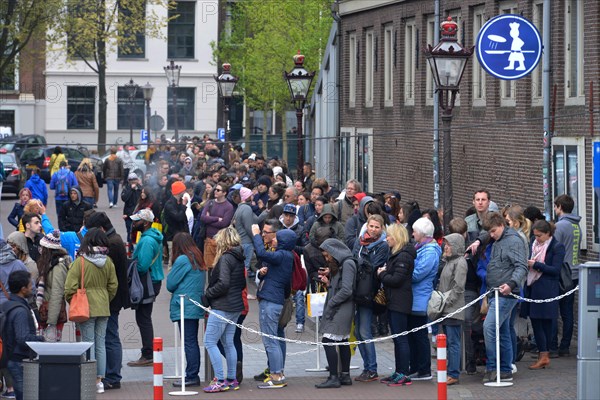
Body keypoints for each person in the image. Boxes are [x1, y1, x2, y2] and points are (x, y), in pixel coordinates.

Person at [64, 228, 118, 394]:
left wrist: (73, 300)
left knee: (88, 343)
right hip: (103, 306)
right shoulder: (108, 261)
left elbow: (69, 287)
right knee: (101, 343)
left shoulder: (80, 262)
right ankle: (100, 380)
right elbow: (113, 285)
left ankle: (90, 378)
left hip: (85, 306)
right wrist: (104, 298)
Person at [481, 212, 527, 384]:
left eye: (493, 231)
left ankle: (493, 367)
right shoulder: (499, 237)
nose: (491, 236)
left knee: (490, 327)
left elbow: (521, 266)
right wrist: (479, 240)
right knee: (504, 331)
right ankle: (506, 368)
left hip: (505, 293)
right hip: (496, 291)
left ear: (501, 225)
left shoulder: (513, 241)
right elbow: (485, 233)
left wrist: (511, 284)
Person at [84, 212, 129, 390]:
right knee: (108, 336)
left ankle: (113, 375)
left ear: (101, 229)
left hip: (111, 299)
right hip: (112, 297)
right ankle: (112, 373)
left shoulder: (112, 244)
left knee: (109, 337)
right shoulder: (115, 239)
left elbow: (107, 276)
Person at [250, 223, 296, 388]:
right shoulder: (285, 256)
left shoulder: (282, 255)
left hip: (270, 302)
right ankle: (279, 372)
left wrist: (255, 234)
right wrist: (262, 274)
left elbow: (261, 253)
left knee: (270, 340)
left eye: (277, 238)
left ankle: (276, 375)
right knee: (274, 338)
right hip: (275, 299)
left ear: (284, 242)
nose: (274, 239)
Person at [201, 227, 245, 392]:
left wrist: (208, 294)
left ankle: (219, 379)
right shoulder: (239, 257)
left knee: (209, 341)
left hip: (223, 305)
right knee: (228, 342)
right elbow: (240, 284)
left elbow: (224, 283)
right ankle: (231, 378)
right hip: (235, 305)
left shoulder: (226, 258)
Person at [314, 238, 357, 389]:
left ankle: (334, 377)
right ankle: (344, 375)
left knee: (328, 340)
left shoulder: (347, 264)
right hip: (343, 306)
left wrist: (332, 302)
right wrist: (329, 283)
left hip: (341, 307)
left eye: (327, 256)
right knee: (342, 340)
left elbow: (346, 289)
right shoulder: (344, 263)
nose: (327, 259)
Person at [352, 214, 389, 382]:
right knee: (357, 331)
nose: (373, 230)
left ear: (382, 229)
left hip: (369, 291)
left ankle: (372, 368)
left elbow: (373, 266)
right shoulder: (358, 241)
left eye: (377, 227)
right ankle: (366, 366)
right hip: (356, 290)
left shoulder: (382, 246)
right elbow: (353, 260)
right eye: (371, 226)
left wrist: (362, 259)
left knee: (365, 331)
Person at [377, 224, 415, 387]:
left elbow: (397, 280)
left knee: (401, 339)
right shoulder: (395, 254)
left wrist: (382, 274)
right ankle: (399, 371)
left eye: (389, 236)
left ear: (396, 237)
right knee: (397, 338)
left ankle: (404, 373)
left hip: (400, 301)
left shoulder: (403, 257)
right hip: (394, 301)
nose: (387, 239)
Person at [167, 232, 206, 388]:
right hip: (194, 304)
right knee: (192, 341)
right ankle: (192, 373)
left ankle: (191, 375)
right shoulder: (197, 256)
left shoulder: (183, 259)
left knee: (189, 342)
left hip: (184, 304)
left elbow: (170, 284)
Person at [525, 219, 565, 370]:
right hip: (534, 288)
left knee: (547, 322)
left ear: (548, 234)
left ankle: (545, 355)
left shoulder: (557, 246)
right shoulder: (533, 244)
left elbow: (555, 270)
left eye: (539, 236)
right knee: (535, 321)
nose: (536, 239)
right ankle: (543, 354)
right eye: (535, 235)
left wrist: (535, 265)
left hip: (548, 288)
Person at [127, 209, 164, 367]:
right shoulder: (149, 236)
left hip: (148, 281)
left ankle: (148, 353)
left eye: (137, 221)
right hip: (152, 280)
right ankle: (147, 352)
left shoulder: (148, 240)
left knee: (143, 318)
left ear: (146, 223)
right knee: (144, 317)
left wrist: (131, 262)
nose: (134, 224)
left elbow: (142, 266)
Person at [2, 270, 45, 400]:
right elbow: (22, 338)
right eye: (30, 285)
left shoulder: (7, 305)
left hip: (10, 356)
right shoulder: (20, 311)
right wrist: (41, 339)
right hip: (18, 359)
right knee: (26, 395)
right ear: (23, 289)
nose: (32, 287)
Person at [408, 217, 441, 381]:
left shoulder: (429, 251)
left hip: (420, 297)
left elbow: (418, 273)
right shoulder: (421, 248)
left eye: (414, 231)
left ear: (422, 233)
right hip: (415, 296)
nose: (412, 234)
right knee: (415, 335)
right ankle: (415, 367)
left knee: (419, 335)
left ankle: (423, 369)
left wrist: (404, 271)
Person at [550, 194, 581, 357]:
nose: (555, 210)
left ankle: (553, 347)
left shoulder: (560, 226)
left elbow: (553, 249)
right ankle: (565, 346)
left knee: (554, 310)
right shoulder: (576, 226)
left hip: (562, 274)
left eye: (555, 207)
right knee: (568, 312)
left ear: (560, 207)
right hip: (574, 274)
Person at [437, 233, 468, 386]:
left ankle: (453, 373)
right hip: (445, 308)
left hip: (453, 309)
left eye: (448, 244)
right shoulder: (448, 261)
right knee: (447, 342)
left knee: (453, 342)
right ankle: (448, 370)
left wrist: (446, 302)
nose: (445, 247)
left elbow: (458, 287)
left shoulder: (460, 262)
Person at [36, 231, 71, 342]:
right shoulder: (50, 264)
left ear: (48, 249)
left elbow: (57, 293)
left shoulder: (58, 267)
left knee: (50, 348)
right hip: (45, 312)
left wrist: (51, 322)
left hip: (51, 316)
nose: (40, 250)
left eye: (42, 247)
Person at [201, 182, 234, 269]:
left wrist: (209, 219)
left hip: (221, 241)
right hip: (209, 239)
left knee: (219, 267)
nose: (215, 191)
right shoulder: (210, 203)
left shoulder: (229, 207)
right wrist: (216, 218)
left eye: (218, 190)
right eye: (215, 189)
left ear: (224, 193)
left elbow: (224, 224)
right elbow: (203, 218)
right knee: (209, 266)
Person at [163, 180, 190, 269]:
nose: (185, 193)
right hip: (173, 237)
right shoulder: (169, 204)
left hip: (182, 236)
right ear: (179, 191)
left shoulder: (179, 202)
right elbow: (178, 217)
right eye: (183, 191)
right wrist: (183, 206)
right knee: (173, 261)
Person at [232, 187, 258, 277]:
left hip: (241, 241)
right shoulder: (246, 208)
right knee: (245, 268)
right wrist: (256, 239)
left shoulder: (240, 208)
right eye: (251, 195)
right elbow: (249, 227)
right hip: (246, 242)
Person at [121, 173, 142, 250]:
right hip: (129, 215)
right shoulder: (126, 189)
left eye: (134, 179)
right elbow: (124, 198)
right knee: (129, 232)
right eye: (131, 180)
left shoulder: (140, 189)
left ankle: (137, 249)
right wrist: (131, 190)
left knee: (138, 233)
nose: (133, 181)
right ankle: (130, 249)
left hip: (138, 215)